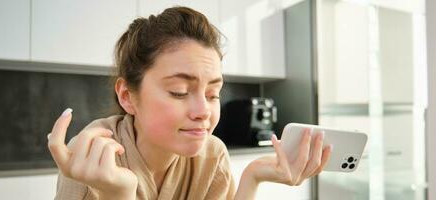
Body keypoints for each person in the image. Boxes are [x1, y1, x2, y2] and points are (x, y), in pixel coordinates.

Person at [47, 6, 332, 200]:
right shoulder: (90, 161)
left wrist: (253, 177)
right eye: (180, 92)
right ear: (127, 96)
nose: (203, 113)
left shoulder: (212, 156)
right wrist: (119, 195)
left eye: (213, 94)